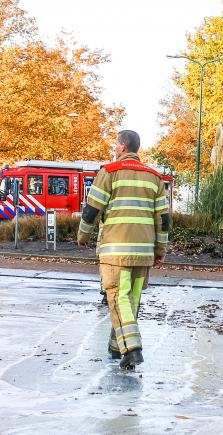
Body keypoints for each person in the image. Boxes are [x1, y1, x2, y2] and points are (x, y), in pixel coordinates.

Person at [77, 130, 169, 370]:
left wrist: (83, 236)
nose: (114, 148)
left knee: (118, 298)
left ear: (122, 147)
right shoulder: (155, 178)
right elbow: (164, 220)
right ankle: (116, 347)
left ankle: (133, 349)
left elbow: (92, 210)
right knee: (132, 301)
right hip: (144, 252)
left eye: (115, 144)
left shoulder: (108, 172)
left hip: (116, 249)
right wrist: (160, 249)